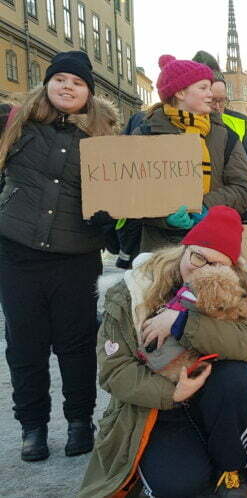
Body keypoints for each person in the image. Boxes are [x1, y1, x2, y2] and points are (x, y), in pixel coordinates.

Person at [80, 207, 247, 497]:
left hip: (217, 396)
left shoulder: (243, 287)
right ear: (184, 249)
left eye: (216, 264)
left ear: (230, 269)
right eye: (197, 256)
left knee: (241, 377)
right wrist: (172, 394)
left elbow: (245, 343)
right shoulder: (133, 290)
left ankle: (230, 468)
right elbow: (114, 370)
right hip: (161, 406)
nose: (202, 268)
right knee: (180, 487)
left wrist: (181, 322)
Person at [0, 51, 117, 462]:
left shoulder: (104, 139)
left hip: (76, 255)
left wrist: (109, 218)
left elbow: (119, 194)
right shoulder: (15, 124)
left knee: (77, 344)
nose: (67, 86)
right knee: (25, 346)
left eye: (77, 82)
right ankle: (33, 427)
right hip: (18, 253)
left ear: (88, 93)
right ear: (47, 85)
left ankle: (79, 421)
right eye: (60, 79)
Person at [133, 54, 247, 251]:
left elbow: (244, 187)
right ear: (181, 93)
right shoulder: (146, 133)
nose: (210, 94)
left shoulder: (224, 136)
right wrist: (165, 217)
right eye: (203, 88)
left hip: (211, 245)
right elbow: (132, 193)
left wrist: (205, 206)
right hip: (159, 249)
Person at [193, 50, 247, 220]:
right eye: (211, 99)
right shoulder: (167, 124)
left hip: (226, 223)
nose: (216, 107)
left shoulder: (239, 127)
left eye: (221, 100)